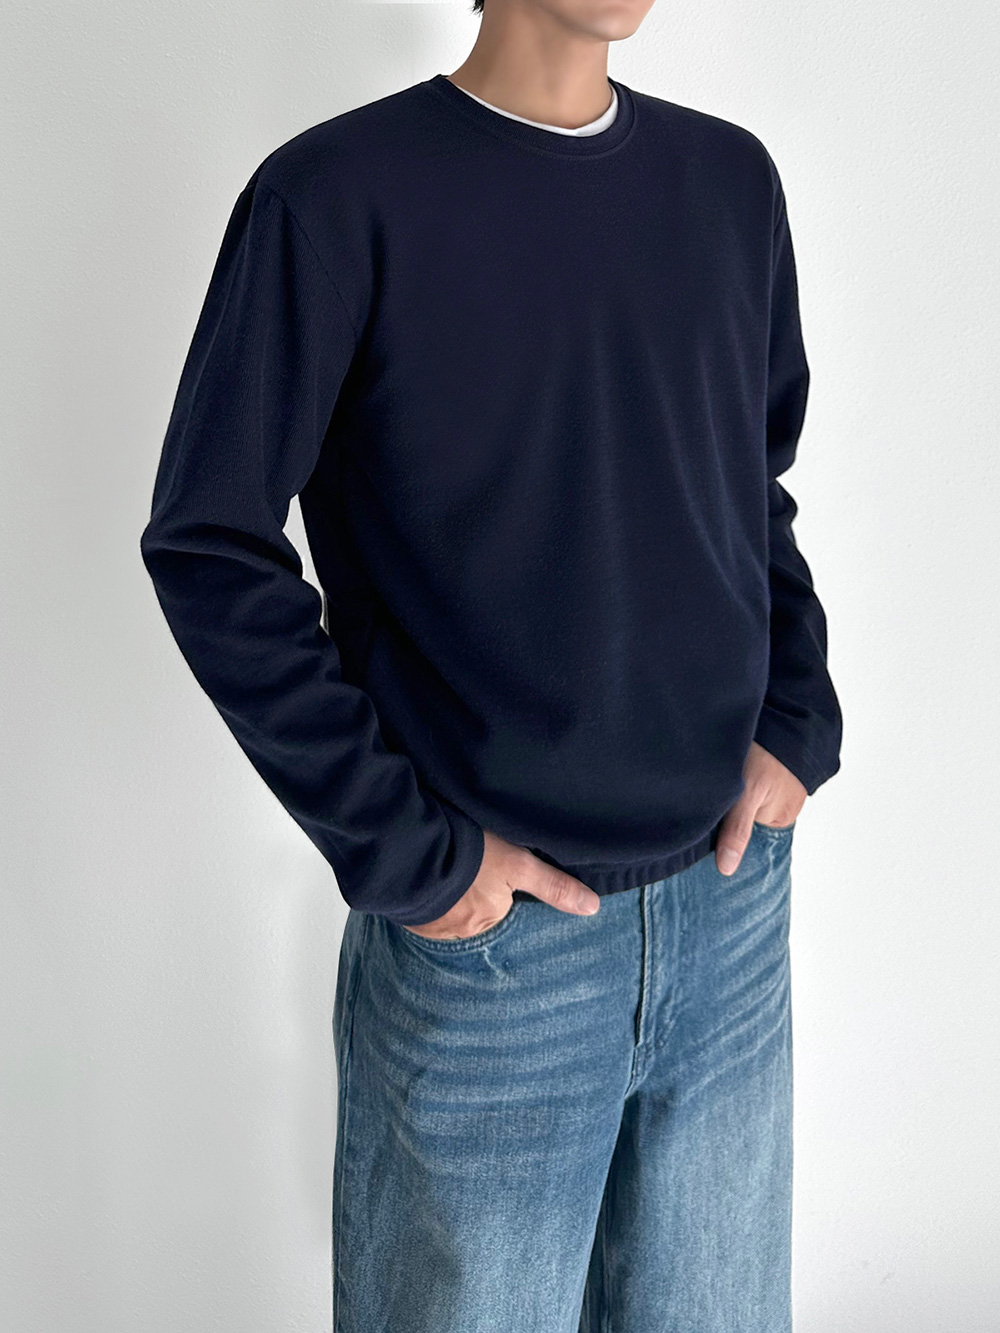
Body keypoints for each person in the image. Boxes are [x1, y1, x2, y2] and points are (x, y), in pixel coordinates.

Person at [139, 0, 843, 1325]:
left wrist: (796, 716)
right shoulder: (334, 198)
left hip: (730, 911)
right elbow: (209, 542)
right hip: (495, 951)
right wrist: (409, 852)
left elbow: (749, 483)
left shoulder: (729, 183)